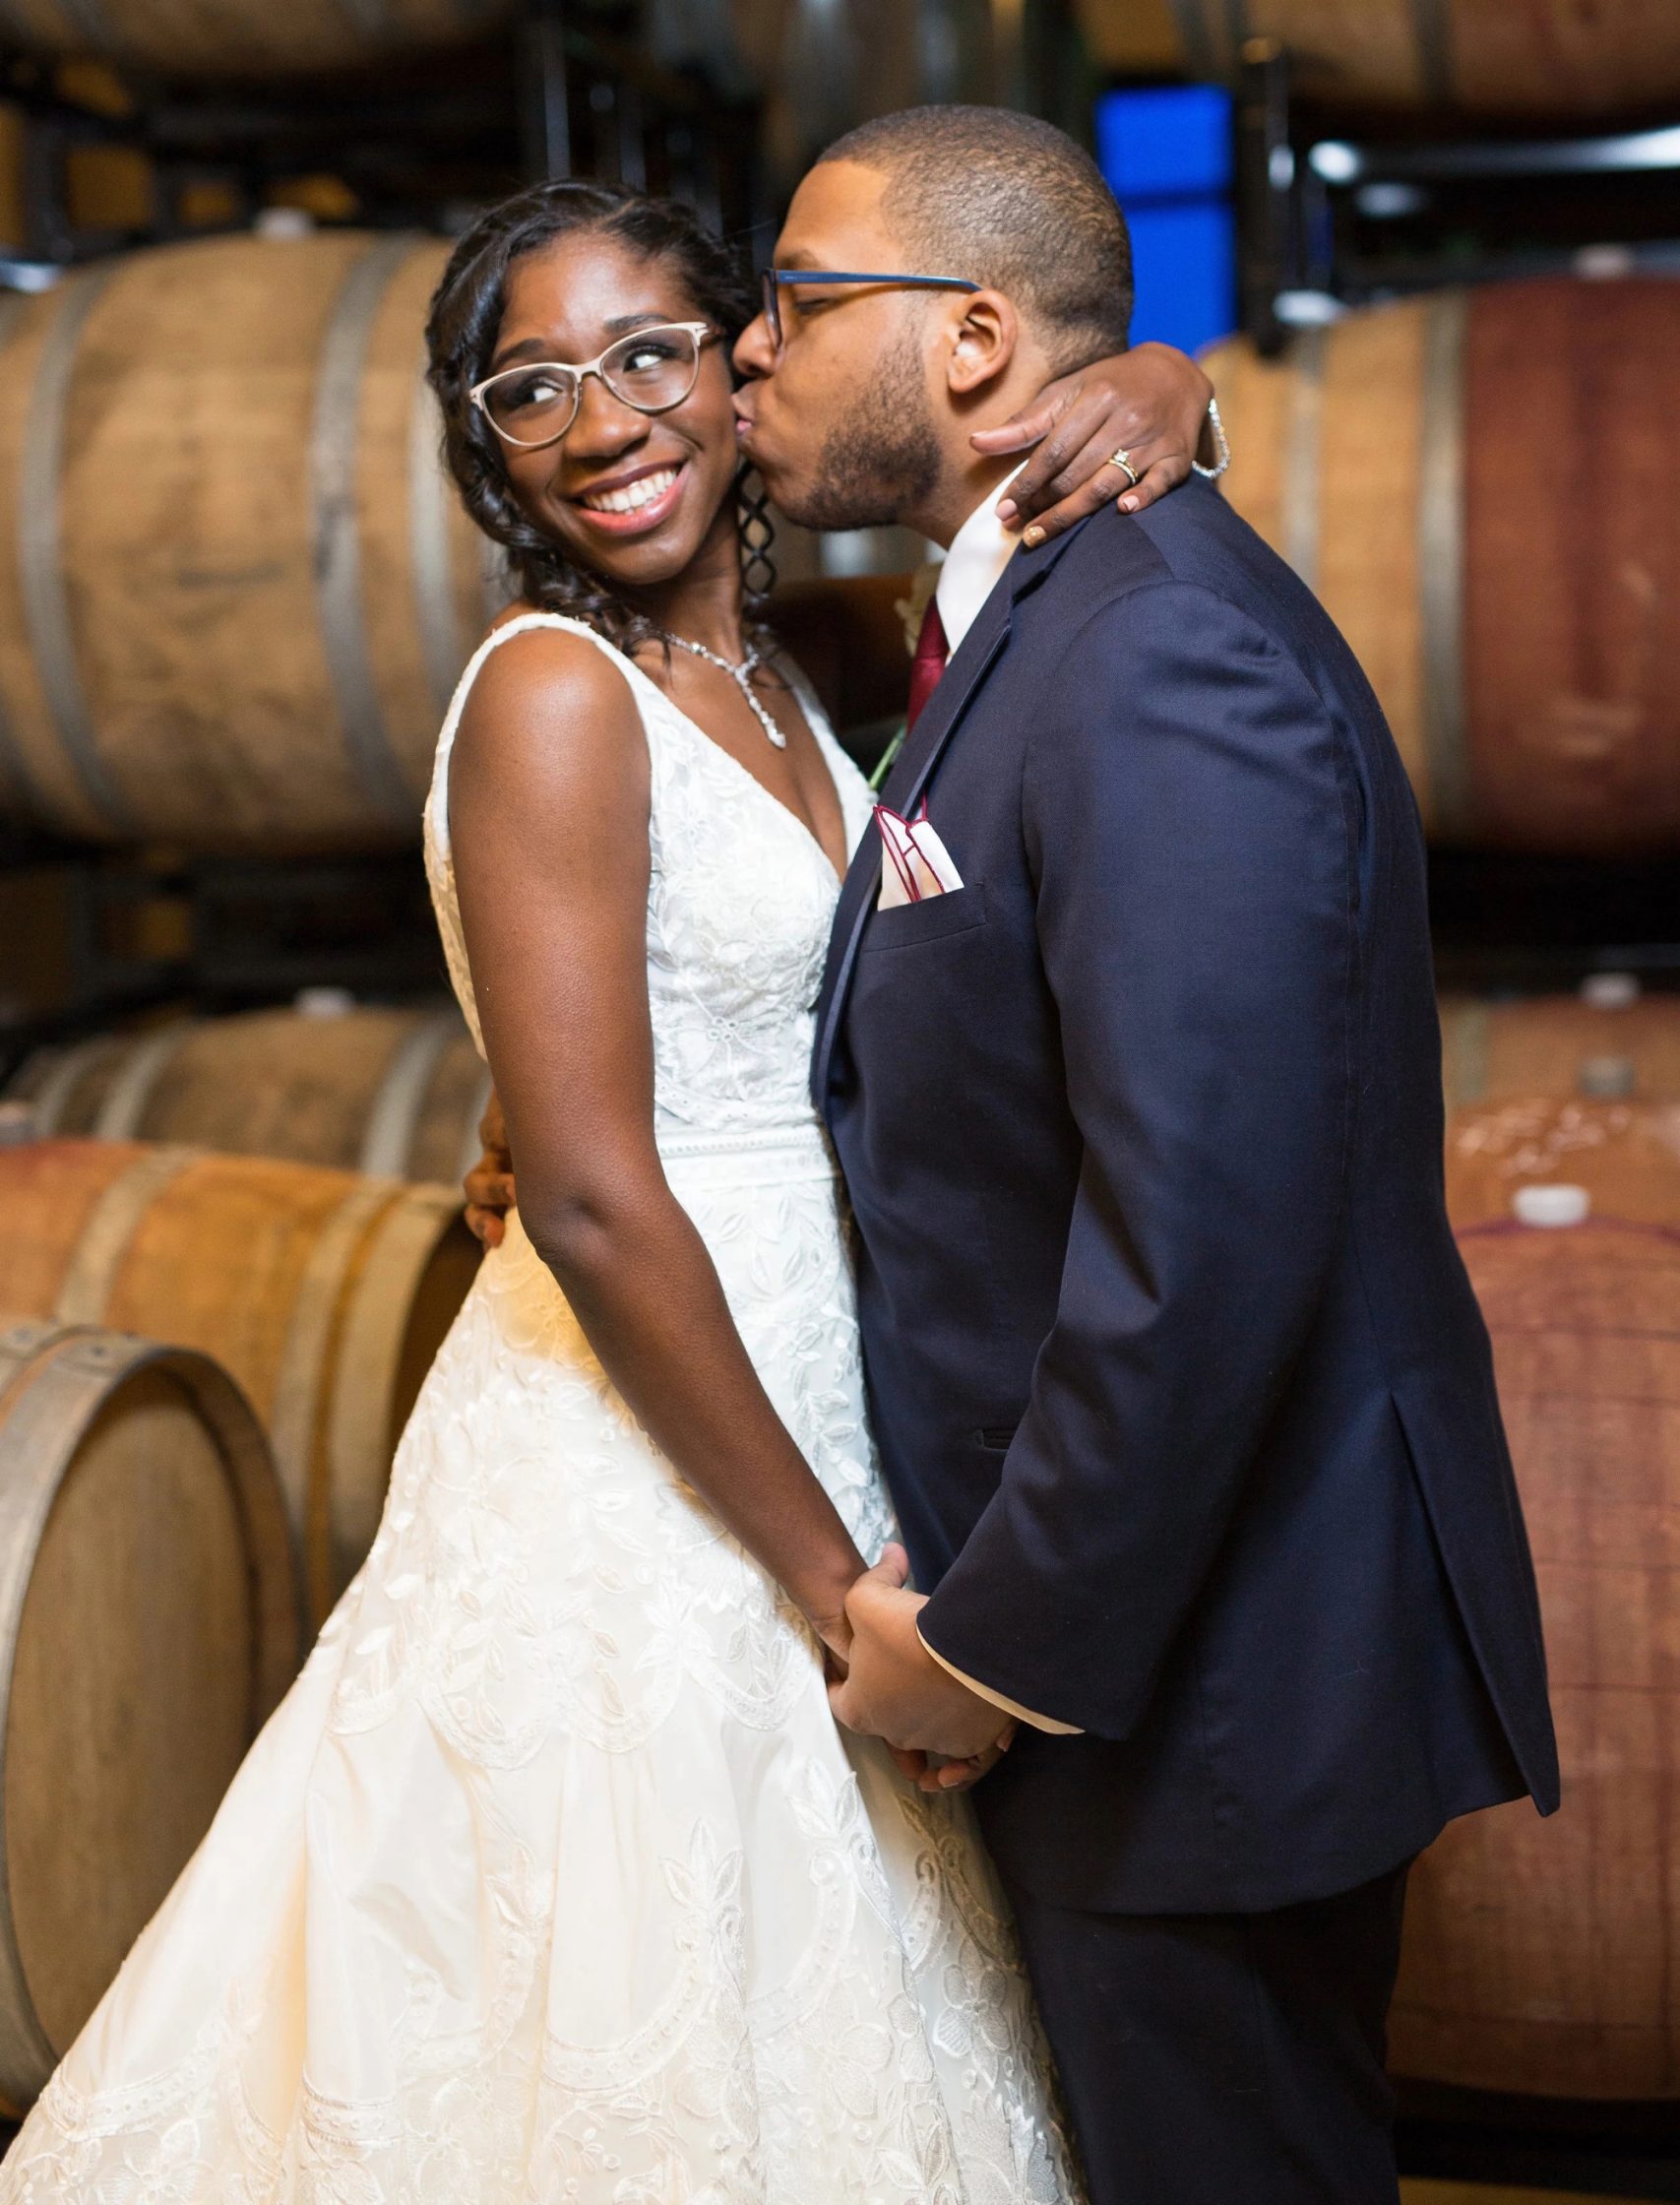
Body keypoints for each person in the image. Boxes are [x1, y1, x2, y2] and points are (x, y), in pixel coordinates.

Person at [0, 175, 1211, 2202]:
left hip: (807, 1377)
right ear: (489, 449)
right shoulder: (554, 696)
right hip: (642, 1445)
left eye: (650, 350)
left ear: (748, 376)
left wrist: (1167, 381)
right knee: (585, 1987)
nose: (603, 417)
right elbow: (582, 1191)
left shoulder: (794, 683)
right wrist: (839, 1590)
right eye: (530, 385)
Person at [475, 109, 1561, 2205]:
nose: (741, 356)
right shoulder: (996, 620)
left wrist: (990, 1644)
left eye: (789, 306)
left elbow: (1205, 1236)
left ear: (972, 341)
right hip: (1123, 1659)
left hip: (1193, 1676)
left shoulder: (1149, 644)